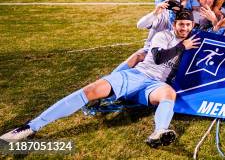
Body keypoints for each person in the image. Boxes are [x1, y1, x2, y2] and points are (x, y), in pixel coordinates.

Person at [0, 10, 201, 147]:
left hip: (155, 86)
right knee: (90, 91)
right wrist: (182, 46)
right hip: (136, 75)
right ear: (175, 24)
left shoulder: (196, 40)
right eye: (181, 24)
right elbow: (157, 58)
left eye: (187, 24)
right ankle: (30, 127)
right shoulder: (164, 36)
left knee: (169, 93)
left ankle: (160, 132)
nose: (184, 28)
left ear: (193, 25)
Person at [113, 0, 190, 73]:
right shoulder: (163, 14)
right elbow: (140, 25)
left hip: (175, 54)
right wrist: (155, 12)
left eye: (183, 0)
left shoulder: (188, 18)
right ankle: (112, 77)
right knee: (138, 55)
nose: (180, 3)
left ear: (187, 1)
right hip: (152, 51)